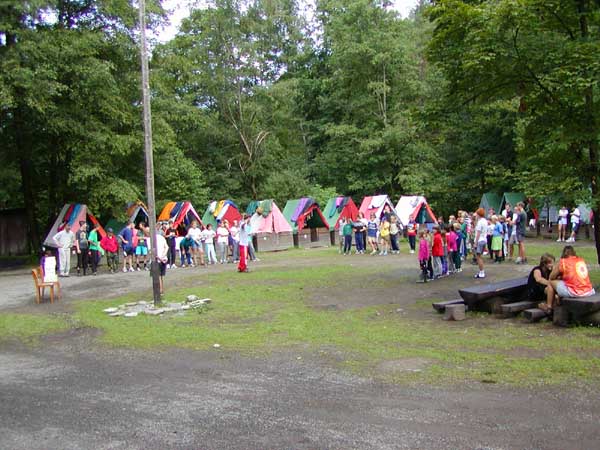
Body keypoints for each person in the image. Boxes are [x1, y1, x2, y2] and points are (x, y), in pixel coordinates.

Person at [473, 208, 488, 279]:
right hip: (484, 239)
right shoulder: (485, 221)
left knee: (478, 257)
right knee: (479, 257)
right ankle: (481, 271)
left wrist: (475, 243)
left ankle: (482, 272)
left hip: (480, 240)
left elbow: (478, 233)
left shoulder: (480, 222)